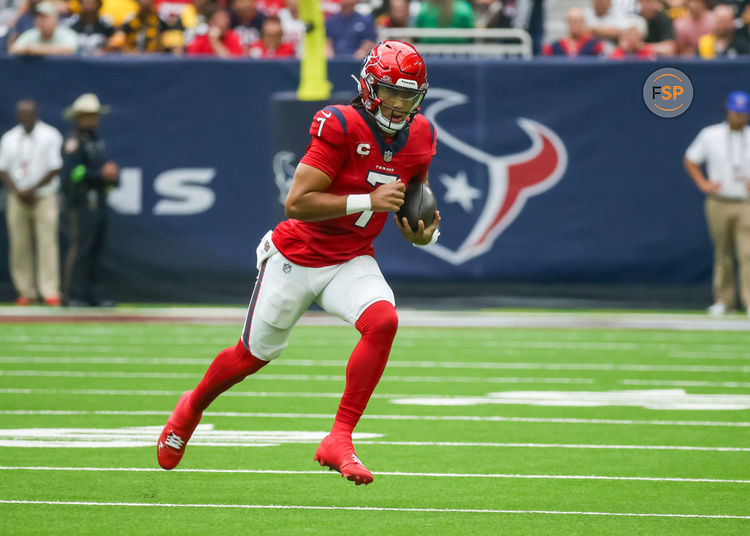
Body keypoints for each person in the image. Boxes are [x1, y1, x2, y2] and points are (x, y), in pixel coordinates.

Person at [157, 40, 440, 486]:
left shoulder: (421, 134)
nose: (400, 104)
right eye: (391, 93)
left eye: (409, 96)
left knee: (383, 320)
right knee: (251, 356)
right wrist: (367, 199)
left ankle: (339, 437)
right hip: (298, 255)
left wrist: (425, 235)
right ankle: (190, 407)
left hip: (351, 258)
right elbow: (297, 202)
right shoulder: (340, 123)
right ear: (369, 87)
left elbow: (416, 198)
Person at [684, 91, 750, 316]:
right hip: (719, 201)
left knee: (747, 252)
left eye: (743, 114)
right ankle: (724, 300)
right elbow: (691, 159)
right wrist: (703, 183)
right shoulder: (710, 134)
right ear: (727, 111)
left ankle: (749, 301)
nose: (739, 118)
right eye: (736, 113)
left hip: (746, 203)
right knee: (722, 253)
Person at [0, 100, 63, 306]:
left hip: (43, 196)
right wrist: (17, 191)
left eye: (29, 114)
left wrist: (32, 189)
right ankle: (26, 291)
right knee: (19, 244)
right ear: (18, 116)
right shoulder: (9, 138)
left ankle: (49, 291)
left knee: (47, 243)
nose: (25, 117)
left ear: (36, 114)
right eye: (22, 114)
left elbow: (55, 167)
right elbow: (3, 169)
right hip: (17, 197)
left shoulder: (50, 135)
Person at [60, 94, 119, 307]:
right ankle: (73, 295)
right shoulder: (74, 142)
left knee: (96, 249)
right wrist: (98, 174)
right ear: (79, 117)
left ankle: (93, 295)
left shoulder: (96, 141)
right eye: (88, 116)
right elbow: (72, 174)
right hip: (81, 202)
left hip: (99, 200)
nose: (93, 120)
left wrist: (111, 175)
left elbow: (101, 169)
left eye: (95, 116)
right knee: (81, 248)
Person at [9, 0, 77, 54]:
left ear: (55, 20)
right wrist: (28, 50)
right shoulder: (31, 34)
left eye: (45, 17)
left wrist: (37, 50)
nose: (41, 21)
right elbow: (12, 50)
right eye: (38, 17)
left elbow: (69, 50)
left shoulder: (66, 34)